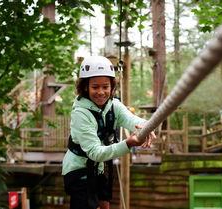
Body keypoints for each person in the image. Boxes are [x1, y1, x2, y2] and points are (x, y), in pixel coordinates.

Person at [62, 56, 156, 209]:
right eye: (95, 87)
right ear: (85, 87)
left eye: (105, 87)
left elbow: (131, 120)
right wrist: (128, 144)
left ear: (111, 87)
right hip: (79, 170)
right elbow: (95, 153)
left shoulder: (114, 106)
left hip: (99, 167)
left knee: (105, 204)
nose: (101, 92)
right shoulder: (81, 114)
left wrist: (146, 126)